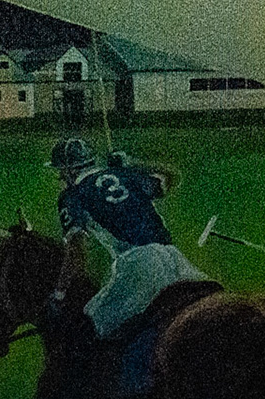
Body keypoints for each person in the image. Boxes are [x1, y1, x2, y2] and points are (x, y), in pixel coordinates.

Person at [48, 137, 207, 343]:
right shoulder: (126, 176)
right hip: (174, 259)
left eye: (61, 171)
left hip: (136, 265)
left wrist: (59, 293)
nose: (60, 176)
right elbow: (173, 175)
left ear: (70, 171)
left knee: (87, 328)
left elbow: (77, 250)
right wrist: (132, 163)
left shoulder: (72, 196)